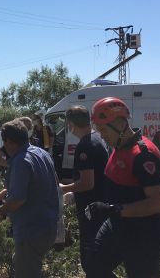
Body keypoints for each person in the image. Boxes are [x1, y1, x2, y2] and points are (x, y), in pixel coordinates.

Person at [85, 97, 160, 278]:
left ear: (120, 123)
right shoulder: (119, 146)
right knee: (94, 266)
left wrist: (113, 209)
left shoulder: (143, 155)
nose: (102, 135)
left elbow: (158, 203)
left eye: (103, 129)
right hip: (120, 224)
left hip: (146, 232)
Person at [0, 119, 59, 278]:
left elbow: (18, 200)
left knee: (26, 273)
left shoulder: (20, 161)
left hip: (31, 230)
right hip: (48, 226)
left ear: (9, 141)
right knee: (28, 266)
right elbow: (44, 182)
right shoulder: (42, 153)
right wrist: (8, 190)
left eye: (5, 143)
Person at [59, 105, 109, 272]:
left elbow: (87, 183)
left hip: (91, 210)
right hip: (100, 205)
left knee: (91, 262)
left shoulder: (85, 146)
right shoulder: (97, 138)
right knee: (101, 257)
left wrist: (63, 188)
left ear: (70, 124)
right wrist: (74, 192)